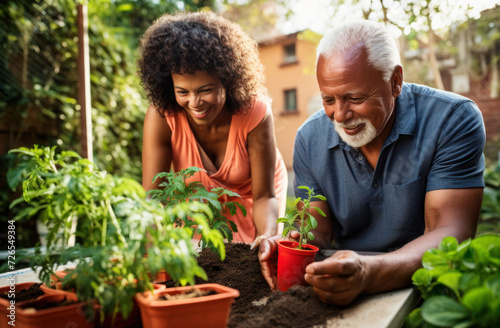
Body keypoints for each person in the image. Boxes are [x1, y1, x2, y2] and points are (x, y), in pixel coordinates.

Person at [258, 20, 485, 305]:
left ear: (395, 82)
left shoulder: (451, 120)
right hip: (345, 283)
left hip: (430, 289)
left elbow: (449, 231)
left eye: (354, 98)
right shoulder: (309, 138)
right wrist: (292, 243)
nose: (339, 115)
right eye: (328, 99)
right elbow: (317, 226)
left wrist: (370, 273)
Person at [138, 12, 287, 245]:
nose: (195, 103)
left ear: (228, 80)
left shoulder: (254, 110)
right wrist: (149, 256)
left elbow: (264, 197)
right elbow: (153, 198)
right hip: (198, 202)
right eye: (183, 92)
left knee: (253, 260)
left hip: (254, 198)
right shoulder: (162, 116)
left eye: (205, 90)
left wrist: (268, 236)